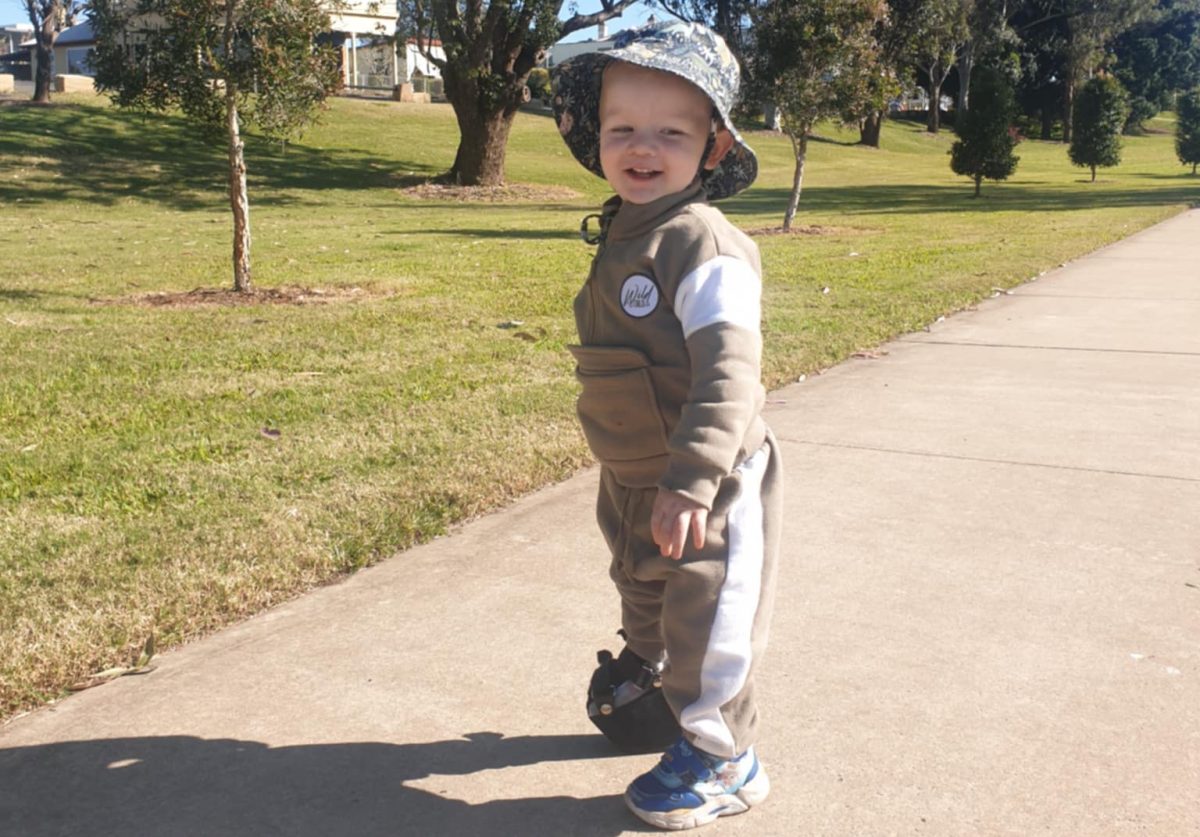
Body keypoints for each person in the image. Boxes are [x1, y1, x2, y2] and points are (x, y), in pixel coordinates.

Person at [552, 20, 783, 832]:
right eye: (623, 129)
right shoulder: (625, 228)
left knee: (706, 606)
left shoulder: (702, 243)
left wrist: (692, 479)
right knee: (642, 587)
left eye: (672, 133)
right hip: (633, 470)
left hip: (706, 474)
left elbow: (728, 371)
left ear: (714, 148)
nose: (642, 147)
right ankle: (655, 680)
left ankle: (725, 756)